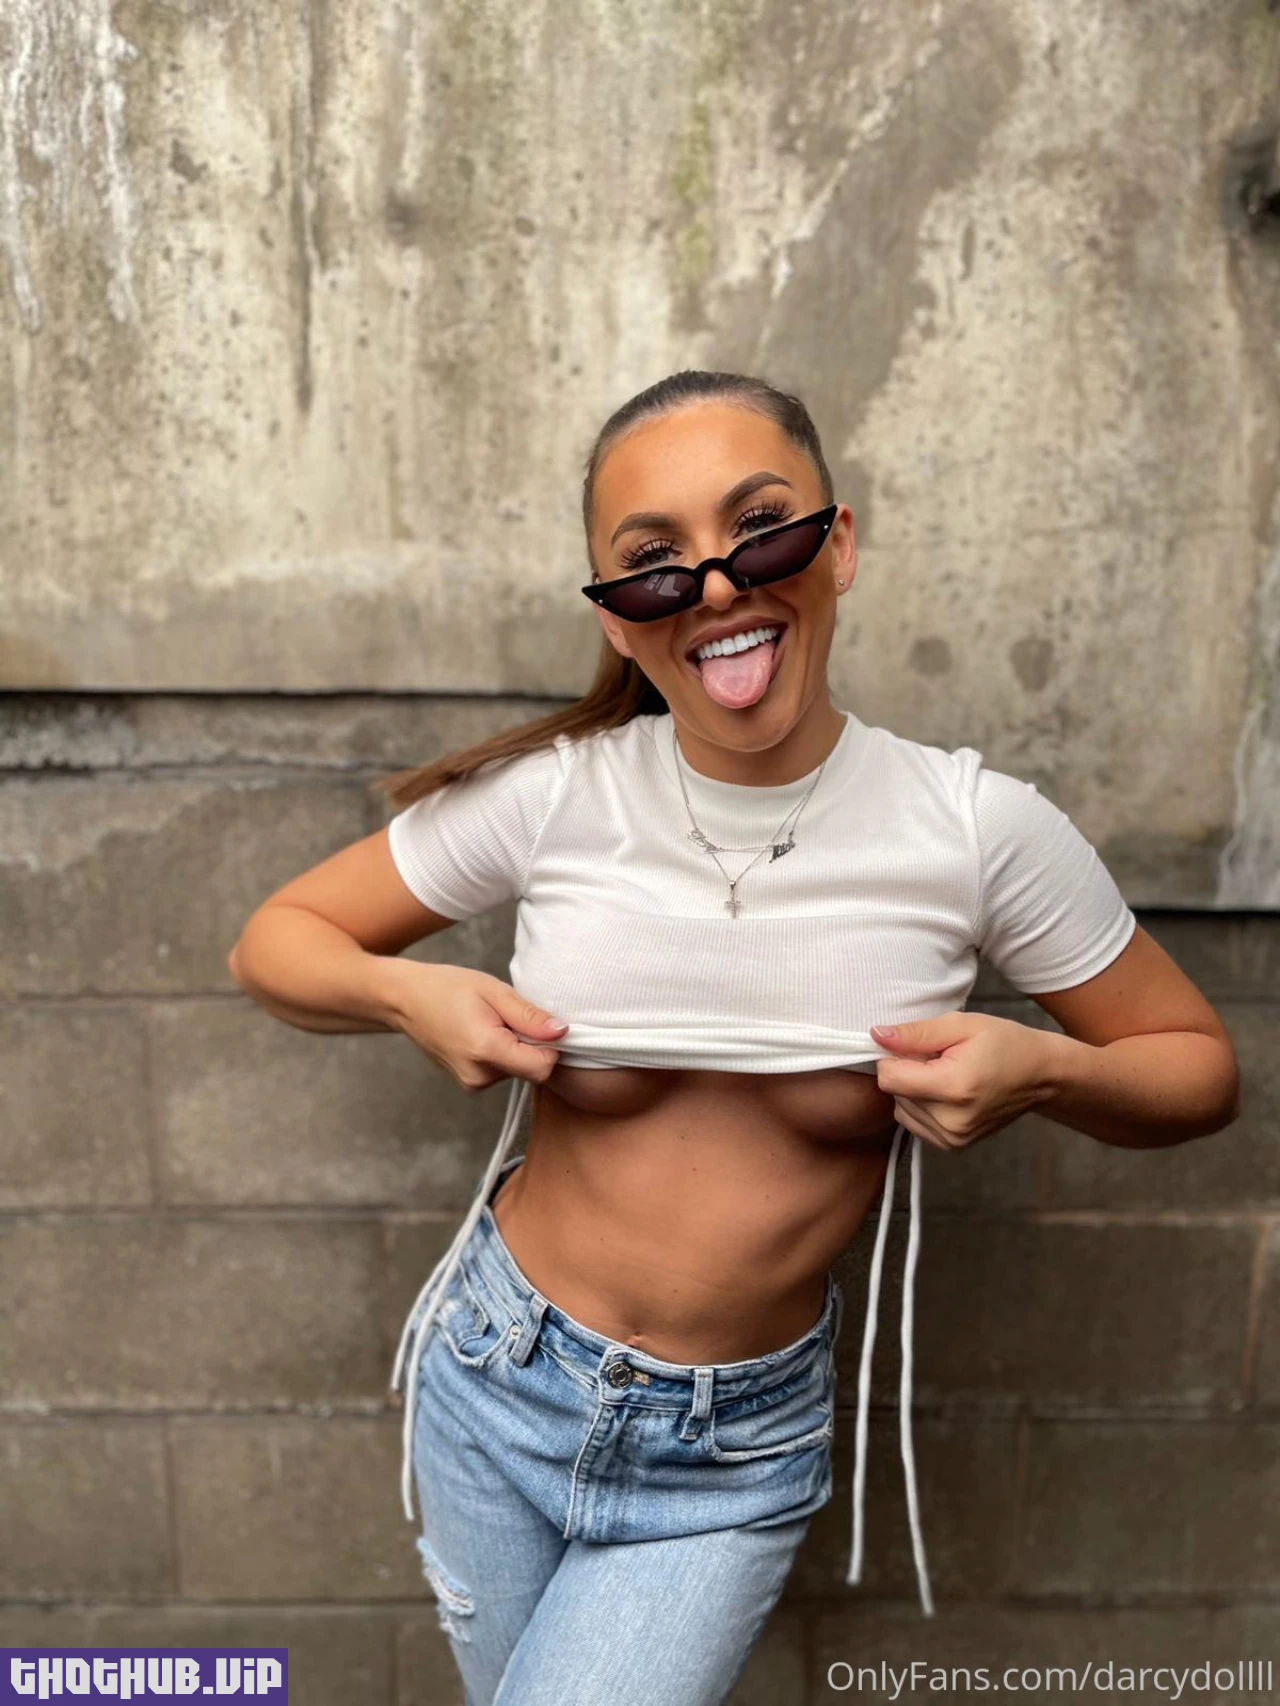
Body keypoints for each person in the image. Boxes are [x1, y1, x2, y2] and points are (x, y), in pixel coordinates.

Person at [229, 369, 1240, 1706]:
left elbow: (1195, 1069)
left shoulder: (973, 829)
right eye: (656, 561)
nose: (715, 586)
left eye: (761, 528)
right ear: (617, 613)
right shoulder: (555, 798)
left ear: (839, 544)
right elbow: (279, 941)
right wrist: (411, 997)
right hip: (496, 1372)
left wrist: (1047, 1069)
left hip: (728, 1456)